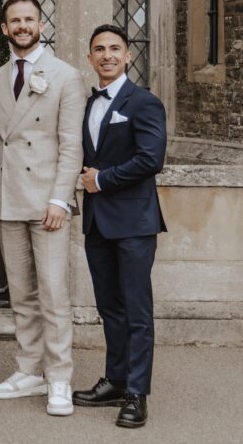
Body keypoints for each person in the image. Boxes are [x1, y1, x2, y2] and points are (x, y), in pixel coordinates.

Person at [0, 0, 86, 416]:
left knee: (53, 293)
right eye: (15, 21)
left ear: (41, 25)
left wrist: (61, 198)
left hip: (48, 201)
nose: (22, 26)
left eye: (29, 19)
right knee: (22, 293)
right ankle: (28, 369)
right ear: (4, 29)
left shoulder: (66, 76)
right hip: (7, 197)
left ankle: (59, 376)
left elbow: (71, 144)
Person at [73, 24, 167, 429]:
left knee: (136, 310)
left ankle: (137, 393)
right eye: (99, 49)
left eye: (115, 48)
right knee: (109, 307)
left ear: (128, 56)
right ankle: (115, 379)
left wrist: (102, 180)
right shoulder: (89, 104)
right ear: (90, 57)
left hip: (133, 223)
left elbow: (151, 159)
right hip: (98, 223)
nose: (107, 55)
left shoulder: (143, 102)